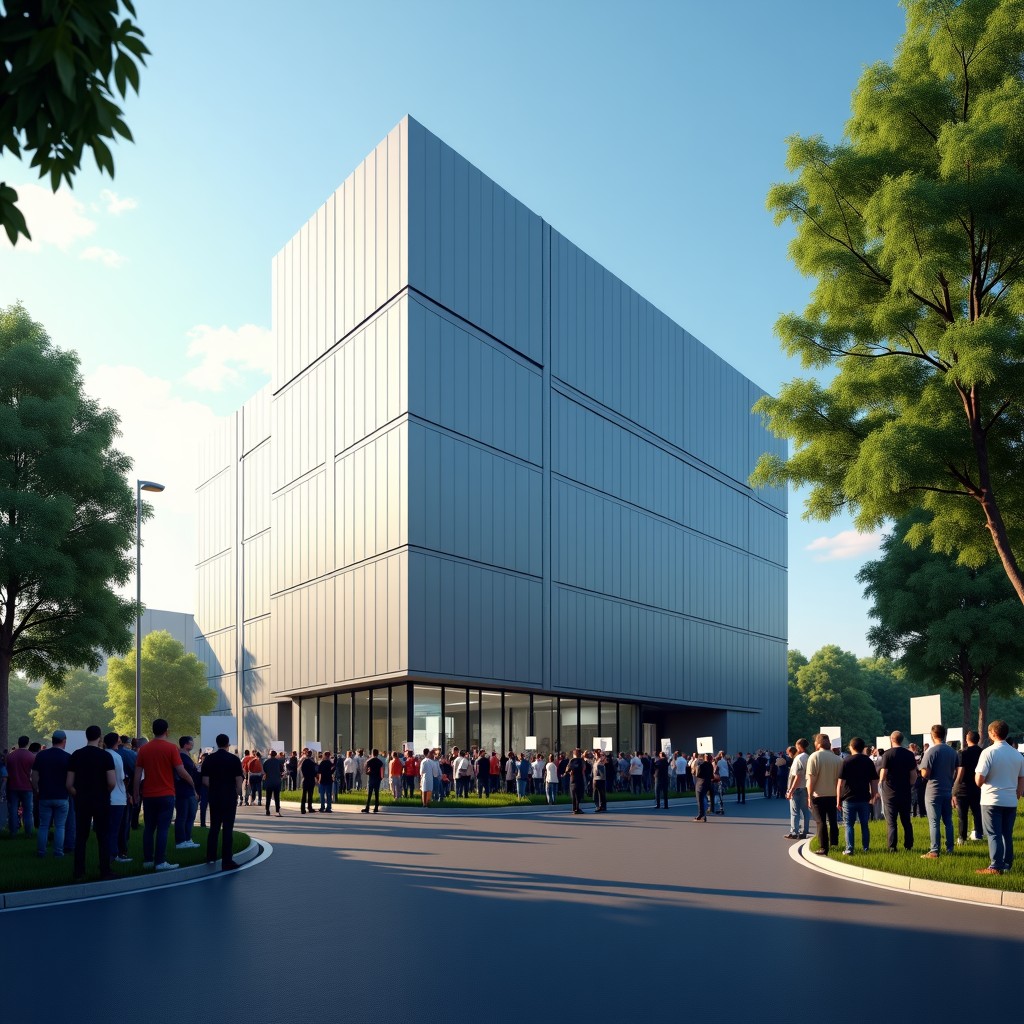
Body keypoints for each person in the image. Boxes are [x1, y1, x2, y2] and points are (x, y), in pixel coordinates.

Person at [133, 718, 197, 871]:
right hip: (166, 794)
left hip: (148, 794)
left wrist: (136, 793)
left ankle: (148, 860)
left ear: (153, 730)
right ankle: (160, 861)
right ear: (166, 731)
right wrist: (192, 783)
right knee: (163, 828)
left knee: (149, 828)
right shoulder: (171, 748)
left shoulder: (144, 750)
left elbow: (137, 773)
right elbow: (181, 771)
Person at [974, 720, 1024, 875]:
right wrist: (1018, 793)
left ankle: (995, 865)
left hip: (991, 799)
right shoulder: (1017, 754)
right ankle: (1007, 864)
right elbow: (1021, 778)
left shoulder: (988, 752)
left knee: (994, 833)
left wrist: (983, 781)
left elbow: (979, 780)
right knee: (1006, 833)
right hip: (1010, 799)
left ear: (992, 733)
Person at [66, 725, 116, 881]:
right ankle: (105, 870)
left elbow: (69, 784)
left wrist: (77, 795)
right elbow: (112, 782)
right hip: (101, 799)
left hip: (82, 800)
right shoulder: (106, 756)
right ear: (99, 737)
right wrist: (103, 793)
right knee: (103, 836)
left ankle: (79, 871)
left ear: (86, 736)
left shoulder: (76, 755)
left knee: (81, 836)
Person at [202, 733, 243, 870]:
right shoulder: (234, 759)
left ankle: (210, 856)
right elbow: (238, 779)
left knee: (214, 827)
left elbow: (205, 781)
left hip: (214, 796)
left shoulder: (209, 759)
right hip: (229, 796)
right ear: (228, 744)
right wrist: (238, 792)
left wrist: (215, 787)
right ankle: (227, 860)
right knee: (227, 828)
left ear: (217, 743)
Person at [918, 723, 958, 859]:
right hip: (947, 789)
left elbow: (925, 773)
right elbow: (956, 770)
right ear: (945, 734)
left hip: (933, 790)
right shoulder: (952, 752)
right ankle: (950, 848)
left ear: (932, 735)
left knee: (934, 822)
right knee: (948, 821)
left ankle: (934, 850)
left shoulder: (931, 751)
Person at [31, 730, 70, 858]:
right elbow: (70, 779)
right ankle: (58, 852)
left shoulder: (41, 756)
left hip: (44, 795)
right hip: (62, 796)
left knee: (43, 826)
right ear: (63, 741)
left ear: (52, 740)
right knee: (60, 826)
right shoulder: (67, 757)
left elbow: (34, 777)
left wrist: (36, 790)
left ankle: (41, 852)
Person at [837, 737, 878, 855]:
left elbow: (840, 783)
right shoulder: (868, 761)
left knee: (849, 824)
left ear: (851, 747)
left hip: (848, 798)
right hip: (864, 797)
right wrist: (874, 795)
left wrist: (838, 799)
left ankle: (849, 848)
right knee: (865, 824)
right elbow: (873, 780)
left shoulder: (846, 761)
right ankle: (866, 848)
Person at [878, 730, 917, 852]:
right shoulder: (909, 755)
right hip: (905, 791)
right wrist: (909, 785)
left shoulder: (887, 754)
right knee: (906, 820)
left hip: (890, 792)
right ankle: (908, 845)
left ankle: (892, 846)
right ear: (902, 739)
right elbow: (913, 774)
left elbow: (884, 773)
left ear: (891, 739)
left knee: (891, 821)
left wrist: (880, 782)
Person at [806, 733, 842, 855]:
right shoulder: (838, 759)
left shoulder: (814, 757)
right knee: (833, 820)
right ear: (829, 745)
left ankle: (823, 847)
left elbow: (812, 779)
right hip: (833, 795)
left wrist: (809, 796)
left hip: (818, 795)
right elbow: (840, 781)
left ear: (818, 744)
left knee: (820, 821)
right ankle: (834, 843)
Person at [104, 732, 132, 863]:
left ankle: (107, 854)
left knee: (107, 829)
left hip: (104, 797)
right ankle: (114, 854)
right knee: (116, 828)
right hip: (117, 796)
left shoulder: (103, 755)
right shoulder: (116, 756)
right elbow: (121, 777)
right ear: (117, 741)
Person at [953, 730, 983, 845]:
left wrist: (954, 791)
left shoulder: (962, 753)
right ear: (978, 739)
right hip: (977, 787)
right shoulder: (982, 752)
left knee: (962, 815)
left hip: (964, 789)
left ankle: (962, 837)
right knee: (977, 812)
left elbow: (960, 773)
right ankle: (978, 833)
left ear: (967, 739)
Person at [174, 736, 201, 850]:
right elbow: (183, 773)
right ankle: (180, 840)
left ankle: (187, 838)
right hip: (183, 790)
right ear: (185, 744)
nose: (193, 745)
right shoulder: (181, 756)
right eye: (191, 743)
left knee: (190, 815)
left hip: (189, 790)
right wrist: (193, 786)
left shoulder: (187, 756)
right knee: (182, 815)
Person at [6, 735, 35, 836]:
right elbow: (33, 773)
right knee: (28, 811)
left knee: (13, 810)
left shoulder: (10, 756)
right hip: (27, 787)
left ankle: (13, 832)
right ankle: (28, 832)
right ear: (27, 743)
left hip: (13, 786)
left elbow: (7, 771)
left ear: (18, 743)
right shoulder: (31, 756)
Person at [784, 739, 811, 839]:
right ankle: (805, 830)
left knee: (794, 811)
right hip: (805, 787)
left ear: (799, 746)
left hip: (797, 788)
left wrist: (791, 790)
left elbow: (797, 776)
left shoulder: (799, 758)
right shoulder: (808, 757)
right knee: (805, 811)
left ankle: (794, 832)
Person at [361, 748, 385, 813]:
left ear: (372, 753)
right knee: (377, 793)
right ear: (377, 754)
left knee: (370, 793)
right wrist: (381, 777)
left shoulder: (369, 761)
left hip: (371, 778)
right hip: (377, 779)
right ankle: (376, 807)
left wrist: (368, 772)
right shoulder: (380, 762)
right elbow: (382, 770)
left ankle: (367, 807)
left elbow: (366, 769)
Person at [563, 748, 586, 814]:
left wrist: (570, 772)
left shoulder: (571, 761)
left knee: (573, 793)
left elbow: (567, 769)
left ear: (574, 754)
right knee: (579, 794)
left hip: (572, 778)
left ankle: (574, 808)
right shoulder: (581, 761)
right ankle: (577, 808)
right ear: (579, 754)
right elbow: (584, 768)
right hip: (580, 778)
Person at [693, 753, 715, 821]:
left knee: (700, 800)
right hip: (708, 783)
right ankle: (709, 810)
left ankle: (701, 815)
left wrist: (695, 770)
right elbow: (712, 776)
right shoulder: (710, 765)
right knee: (705, 798)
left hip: (701, 784)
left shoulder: (701, 765)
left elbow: (697, 775)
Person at [263, 749, 284, 816]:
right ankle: (277, 811)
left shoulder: (266, 762)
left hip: (269, 781)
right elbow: (281, 771)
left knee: (268, 797)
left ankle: (267, 810)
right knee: (277, 797)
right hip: (277, 782)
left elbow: (264, 770)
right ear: (275, 755)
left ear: (270, 755)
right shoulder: (278, 762)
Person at [298, 749, 318, 813]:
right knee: (310, 794)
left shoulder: (304, 762)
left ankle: (302, 808)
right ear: (311, 754)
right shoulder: (313, 763)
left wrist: (304, 775)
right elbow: (315, 771)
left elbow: (302, 769)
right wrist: (315, 776)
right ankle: (310, 807)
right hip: (311, 779)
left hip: (305, 779)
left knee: (304, 794)